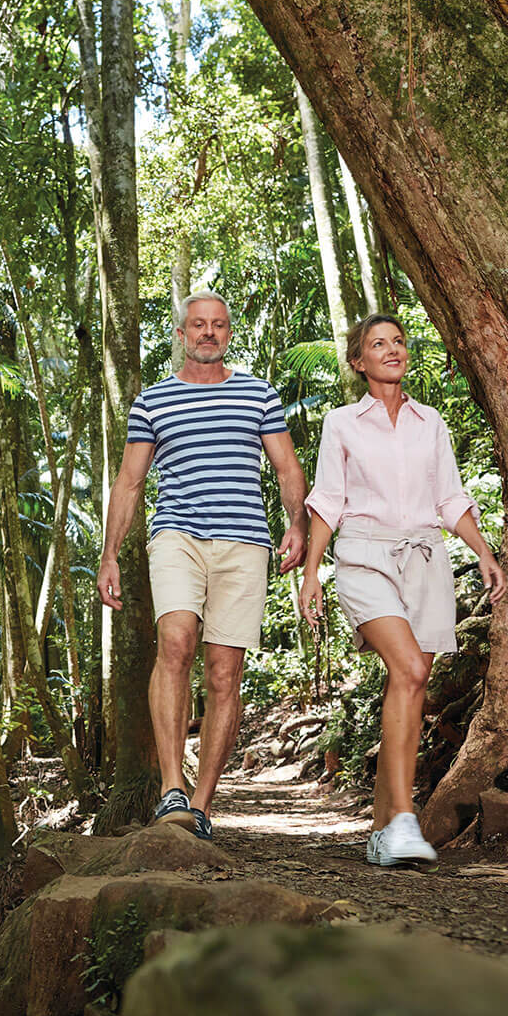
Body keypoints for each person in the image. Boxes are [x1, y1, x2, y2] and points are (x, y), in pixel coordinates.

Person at [98, 290, 308, 843]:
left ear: (229, 334)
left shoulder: (257, 394)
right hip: (177, 537)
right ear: (181, 334)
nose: (208, 333)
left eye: (217, 325)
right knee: (175, 642)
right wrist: (110, 554)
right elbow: (130, 481)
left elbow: (286, 467)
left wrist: (297, 524)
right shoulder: (153, 401)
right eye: (198, 325)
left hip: (245, 543)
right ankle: (171, 786)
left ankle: (201, 804)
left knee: (223, 673)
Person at [299, 313, 507, 867]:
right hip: (365, 556)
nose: (392, 350)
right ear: (358, 361)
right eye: (377, 344)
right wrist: (311, 572)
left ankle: (382, 828)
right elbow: (328, 499)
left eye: (398, 341)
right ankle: (406, 818)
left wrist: (484, 551)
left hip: (426, 558)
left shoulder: (429, 422)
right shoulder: (341, 423)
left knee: (409, 689)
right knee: (410, 671)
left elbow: (449, 499)